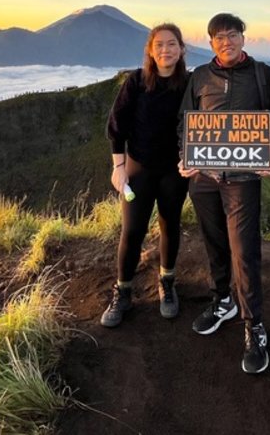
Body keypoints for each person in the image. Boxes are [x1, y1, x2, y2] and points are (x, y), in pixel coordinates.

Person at [178, 12, 270, 374]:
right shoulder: (200, 78)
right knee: (215, 243)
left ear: (243, 38)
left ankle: (254, 326)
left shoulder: (263, 75)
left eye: (232, 35)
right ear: (211, 43)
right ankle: (224, 300)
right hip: (203, 177)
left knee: (244, 251)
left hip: (243, 178)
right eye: (219, 37)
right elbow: (185, 120)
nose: (227, 42)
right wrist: (184, 158)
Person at [100, 23, 191, 328]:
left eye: (172, 44)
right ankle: (123, 290)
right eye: (160, 45)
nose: (166, 50)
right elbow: (117, 126)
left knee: (170, 224)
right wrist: (118, 167)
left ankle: (167, 282)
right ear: (151, 50)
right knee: (133, 229)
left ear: (181, 49)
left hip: (174, 170)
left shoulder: (189, 84)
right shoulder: (136, 82)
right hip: (138, 167)